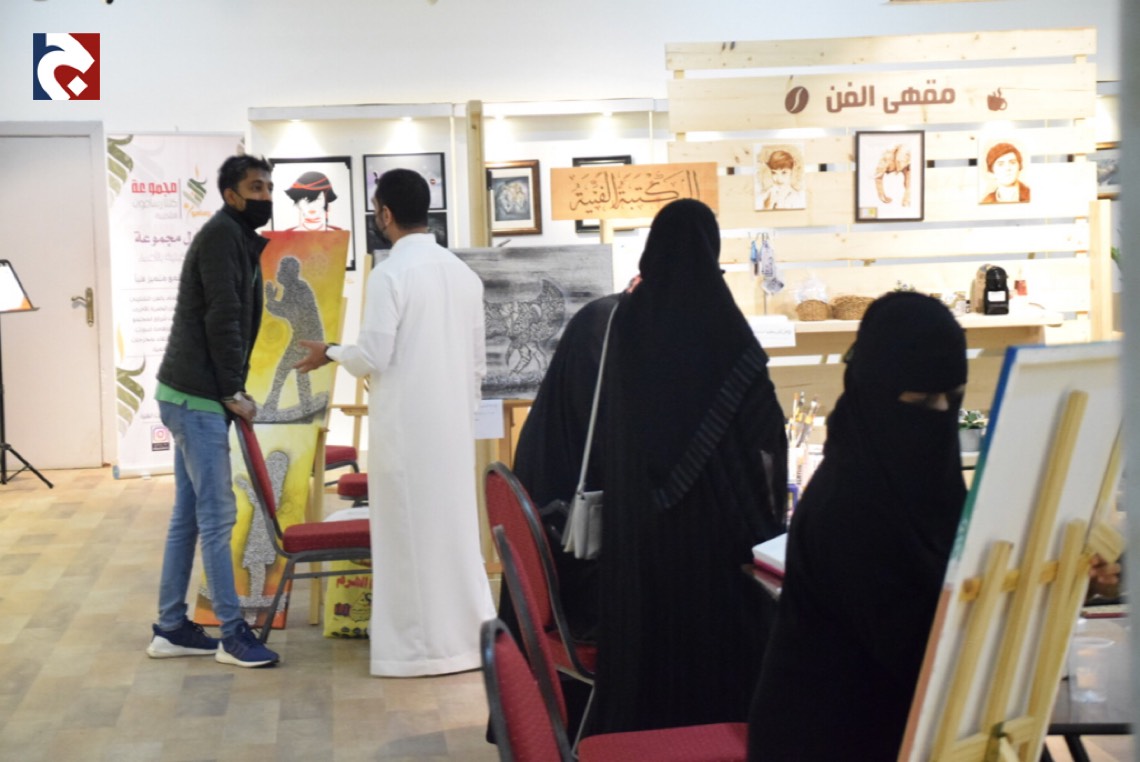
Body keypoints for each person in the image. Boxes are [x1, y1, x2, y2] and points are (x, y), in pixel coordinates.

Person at [590, 198, 788, 735]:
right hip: (714, 531)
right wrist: (770, 513)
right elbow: (765, 426)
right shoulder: (720, 320)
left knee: (653, 642)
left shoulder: (628, 317)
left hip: (639, 525)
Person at [747, 291, 968, 761]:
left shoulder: (928, 487)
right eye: (922, 399)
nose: (940, 414)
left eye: (953, 399)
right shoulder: (847, 505)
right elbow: (918, 648)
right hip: (829, 741)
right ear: (874, 390)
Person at [294, 168, 496, 677]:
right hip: (452, 431)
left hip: (406, 432)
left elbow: (373, 356)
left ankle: (414, 652)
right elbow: (477, 367)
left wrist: (331, 351)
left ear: (384, 213)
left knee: (406, 538)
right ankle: (468, 641)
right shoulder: (463, 275)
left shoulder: (391, 274)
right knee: (452, 535)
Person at [147, 154, 280, 669]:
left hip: (186, 393)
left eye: (268, 186)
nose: (265, 195)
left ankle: (171, 628)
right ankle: (231, 634)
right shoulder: (224, 236)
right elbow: (224, 318)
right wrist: (231, 392)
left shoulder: (235, 236)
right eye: (255, 187)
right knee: (218, 517)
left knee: (188, 517)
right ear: (230, 194)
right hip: (198, 398)